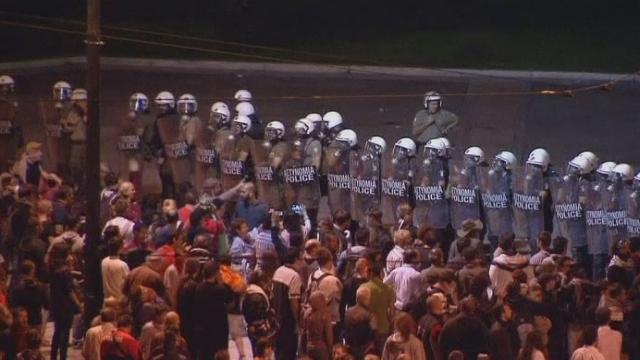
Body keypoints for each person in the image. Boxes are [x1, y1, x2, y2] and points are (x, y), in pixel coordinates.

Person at [49, 244, 82, 360]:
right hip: (66, 306)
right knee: (65, 333)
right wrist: (79, 305)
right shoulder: (65, 271)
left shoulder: (53, 267)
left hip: (56, 303)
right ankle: (63, 357)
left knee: (57, 332)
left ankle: (53, 356)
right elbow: (70, 292)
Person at [194, 261, 233, 360]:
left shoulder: (199, 288)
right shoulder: (220, 290)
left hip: (203, 329)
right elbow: (231, 301)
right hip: (218, 331)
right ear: (216, 273)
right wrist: (222, 282)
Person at [272, 248, 303, 360]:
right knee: (289, 351)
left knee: (279, 350)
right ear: (296, 259)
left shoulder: (278, 270)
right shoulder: (294, 276)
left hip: (277, 317)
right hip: (288, 320)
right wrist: (297, 321)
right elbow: (293, 301)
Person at [361, 259, 396, 353]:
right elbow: (391, 312)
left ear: (370, 273)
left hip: (366, 328)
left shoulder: (363, 287)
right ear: (381, 273)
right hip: (383, 328)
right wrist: (391, 328)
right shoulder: (388, 289)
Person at [344, 286, 377, 359]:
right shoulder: (369, 314)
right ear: (366, 299)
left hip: (350, 346)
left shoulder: (348, 312)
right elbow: (374, 331)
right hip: (364, 348)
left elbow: (346, 329)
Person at [303, 291, 334, 360]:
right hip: (321, 348)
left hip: (309, 346)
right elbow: (329, 335)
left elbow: (304, 333)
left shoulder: (307, 313)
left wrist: (303, 348)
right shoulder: (325, 314)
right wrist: (330, 350)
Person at [101, 235, 130, 300]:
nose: (125, 247)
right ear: (119, 249)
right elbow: (128, 282)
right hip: (118, 300)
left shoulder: (104, 261)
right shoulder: (122, 265)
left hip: (106, 299)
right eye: (123, 246)